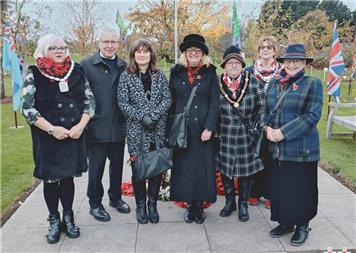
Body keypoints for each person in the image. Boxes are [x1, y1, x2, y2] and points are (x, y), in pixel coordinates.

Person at [21, 34, 95, 243]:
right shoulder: (34, 73)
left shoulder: (77, 70)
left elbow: (90, 102)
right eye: (53, 48)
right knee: (52, 179)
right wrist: (52, 129)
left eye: (62, 47)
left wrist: (80, 126)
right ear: (44, 50)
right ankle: (54, 221)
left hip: (74, 135)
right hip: (48, 138)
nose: (59, 51)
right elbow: (27, 109)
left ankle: (68, 218)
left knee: (69, 177)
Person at [265, 43, 323, 246]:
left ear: (303, 63)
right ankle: (286, 222)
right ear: (282, 62)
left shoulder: (312, 83)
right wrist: (267, 129)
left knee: (301, 189)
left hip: (302, 149)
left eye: (296, 60)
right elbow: (264, 110)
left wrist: (282, 133)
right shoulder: (274, 83)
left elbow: (312, 116)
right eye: (288, 60)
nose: (291, 64)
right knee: (281, 188)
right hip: (276, 148)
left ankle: (302, 225)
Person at [117, 38, 171, 224]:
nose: (142, 54)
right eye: (138, 51)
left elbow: (167, 98)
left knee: (156, 168)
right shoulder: (126, 76)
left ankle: (152, 205)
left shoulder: (159, 75)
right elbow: (122, 103)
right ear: (133, 55)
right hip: (136, 132)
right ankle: (141, 206)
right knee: (139, 169)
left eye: (145, 51)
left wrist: (154, 116)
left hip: (157, 130)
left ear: (151, 54)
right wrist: (142, 117)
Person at [169, 34, 219, 224]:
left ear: (203, 54)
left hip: (203, 130)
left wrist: (209, 127)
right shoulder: (176, 72)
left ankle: (199, 205)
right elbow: (171, 101)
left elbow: (215, 102)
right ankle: (190, 205)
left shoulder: (209, 72)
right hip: (183, 130)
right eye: (191, 51)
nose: (194, 54)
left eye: (198, 51)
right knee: (185, 169)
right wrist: (170, 129)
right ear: (185, 53)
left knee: (202, 169)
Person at [80, 28, 130, 222]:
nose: (110, 45)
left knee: (117, 167)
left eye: (113, 42)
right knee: (96, 169)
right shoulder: (86, 65)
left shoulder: (124, 66)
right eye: (106, 41)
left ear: (118, 44)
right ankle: (95, 203)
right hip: (95, 128)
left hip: (118, 127)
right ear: (99, 43)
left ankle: (115, 198)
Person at [216, 45, 265, 222]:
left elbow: (263, 108)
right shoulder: (217, 83)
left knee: (245, 172)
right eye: (230, 62)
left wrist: (258, 129)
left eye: (237, 62)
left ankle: (243, 203)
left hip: (247, 136)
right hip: (225, 135)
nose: (234, 65)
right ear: (225, 65)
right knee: (226, 170)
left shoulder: (254, 82)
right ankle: (230, 202)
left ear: (242, 64)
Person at [245, 35, 283, 209]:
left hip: (275, 120)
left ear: (274, 50)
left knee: (272, 157)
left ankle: (270, 194)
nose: (265, 50)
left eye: (269, 47)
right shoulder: (249, 70)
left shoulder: (282, 72)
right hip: (253, 120)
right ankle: (253, 192)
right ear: (258, 50)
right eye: (262, 47)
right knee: (255, 155)